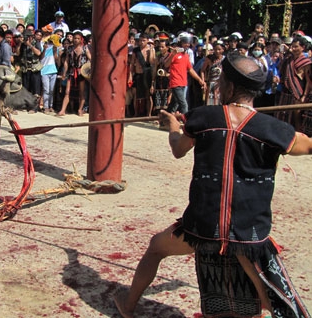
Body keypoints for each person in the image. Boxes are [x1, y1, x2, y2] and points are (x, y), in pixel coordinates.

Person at [114, 53, 311, 318]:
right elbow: (309, 145)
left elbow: (178, 149)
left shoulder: (203, 118)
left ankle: (128, 307)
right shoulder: (272, 129)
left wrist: (173, 126)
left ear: (228, 86)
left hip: (204, 227)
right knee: (271, 299)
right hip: (248, 231)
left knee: (156, 248)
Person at [276, 36, 312, 132]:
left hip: (297, 94)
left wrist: (304, 96)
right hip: (285, 93)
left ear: (302, 47)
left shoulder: (306, 62)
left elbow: (309, 81)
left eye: (296, 47)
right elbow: (282, 73)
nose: (293, 49)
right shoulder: (288, 60)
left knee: (296, 120)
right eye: (292, 46)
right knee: (281, 117)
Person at [165, 34, 205, 114]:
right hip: (175, 83)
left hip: (183, 83)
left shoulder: (186, 56)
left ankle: (164, 120)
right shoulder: (174, 54)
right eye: (185, 43)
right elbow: (166, 65)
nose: (187, 45)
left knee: (174, 104)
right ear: (180, 43)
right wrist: (172, 54)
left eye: (188, 43)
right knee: (184, 105)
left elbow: (190, 70)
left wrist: (199, 79)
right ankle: (186, 123)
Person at [58, 30, 91, 116]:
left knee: (81, 92)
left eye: (78, 38)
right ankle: (62, 110)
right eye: (75, 38)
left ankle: (80, 109)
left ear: (81, 39)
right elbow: (66, 61)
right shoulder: (69, 48)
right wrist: (64, 73)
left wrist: (88, 69)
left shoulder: (85, 48)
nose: (76, 40)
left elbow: (90, 59)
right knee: (67, 91)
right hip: (71, 72)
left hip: (81, 73)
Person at [130, 33, 155, 116]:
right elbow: (132, 63)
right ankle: (136, 113)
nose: (142, 42)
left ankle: (149, 114)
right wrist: (130, 76)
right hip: (138, 74)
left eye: (144, 40)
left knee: (148, 95)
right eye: (140, 40)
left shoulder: (150, 49)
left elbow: (151, 62)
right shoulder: (135, 50)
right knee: (136, 95)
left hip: (147, 74)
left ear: (147, 41)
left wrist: (151, 50)